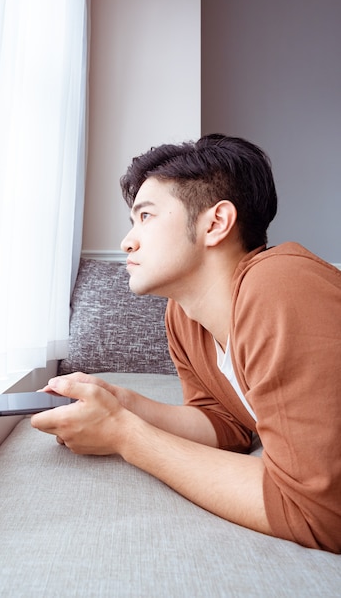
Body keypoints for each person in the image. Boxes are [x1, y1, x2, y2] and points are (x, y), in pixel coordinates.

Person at [31, 134, 341, 553]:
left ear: (215, 223)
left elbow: (320, 512)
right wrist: (122, 402)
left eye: (146, 216)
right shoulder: (183, 315)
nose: (127, 241)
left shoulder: (279, 284)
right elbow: (227, 426)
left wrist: (125, 435)